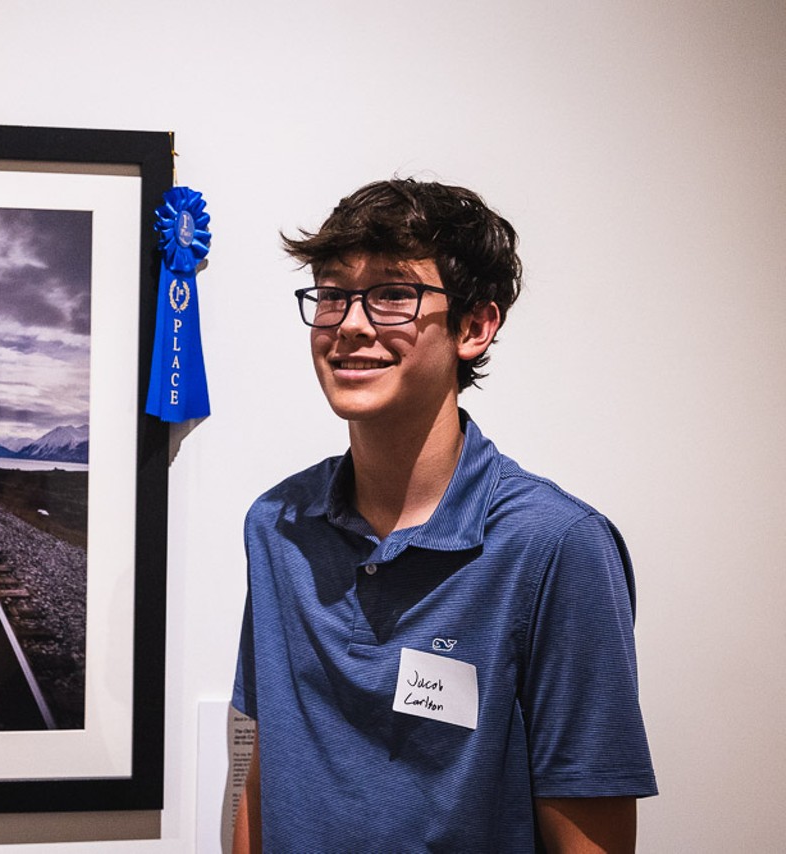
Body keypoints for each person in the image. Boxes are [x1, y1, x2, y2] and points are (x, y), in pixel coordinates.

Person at [231, 179, 656, 852]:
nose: (350, 324)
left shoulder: (555, 545)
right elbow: (255, 758)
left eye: (395, 295)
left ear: (475, 326)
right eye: (333, 293)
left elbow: (591, 821)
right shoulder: (277, 526)